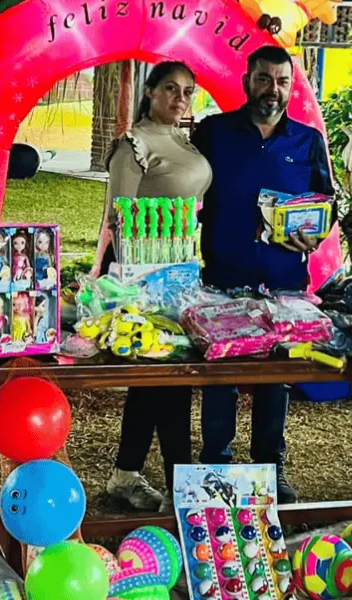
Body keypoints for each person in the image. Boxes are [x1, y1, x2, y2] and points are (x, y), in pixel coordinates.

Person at [190, 46, 335, 504]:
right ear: (246, 81)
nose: (273, 90)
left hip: (284, 283)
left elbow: (325, 205)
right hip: (223, 281)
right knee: (222, 380)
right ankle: (216, 464)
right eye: (264, 79)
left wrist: (314, 233)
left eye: (282, 82)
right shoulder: (213, 132)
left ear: (291, 88)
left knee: (276, 378)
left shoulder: (307, 140)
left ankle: (271, 468)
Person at [96, 61, 212, 513]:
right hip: (145, 280)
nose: (179, 99)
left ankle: (126, 475)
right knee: (169, 382)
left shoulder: (184, 139)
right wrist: (141, 290)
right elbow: (118, 218)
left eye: (187, 91)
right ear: (150, 92)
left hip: (183, 274)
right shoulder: (134, 144)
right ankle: (181, 487)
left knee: (155, 385)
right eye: (170, 89)